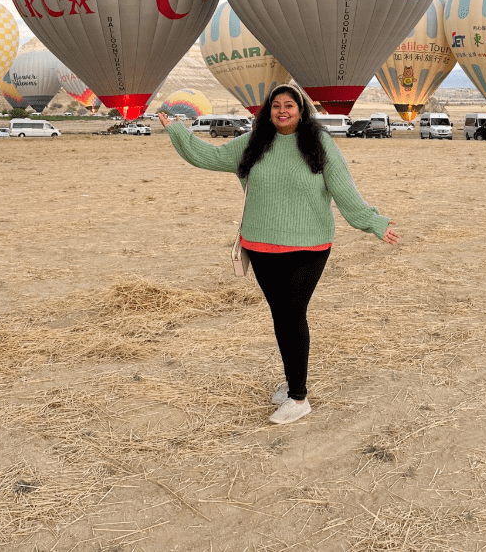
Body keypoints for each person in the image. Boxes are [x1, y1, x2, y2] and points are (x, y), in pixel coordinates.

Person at [159, 84, 399, 426]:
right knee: (281, 317)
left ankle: (298, 398)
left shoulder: (318, 144)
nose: (282, 110)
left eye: (290, 105)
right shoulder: (254, 143)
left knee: (292, 315)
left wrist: (373, 222)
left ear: (302, 111)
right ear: (268, 111)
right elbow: (210, 157)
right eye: (276, 105)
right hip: (261, 247)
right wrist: (178, 131)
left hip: (309, 247)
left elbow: (344, 190)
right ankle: (292, 380)